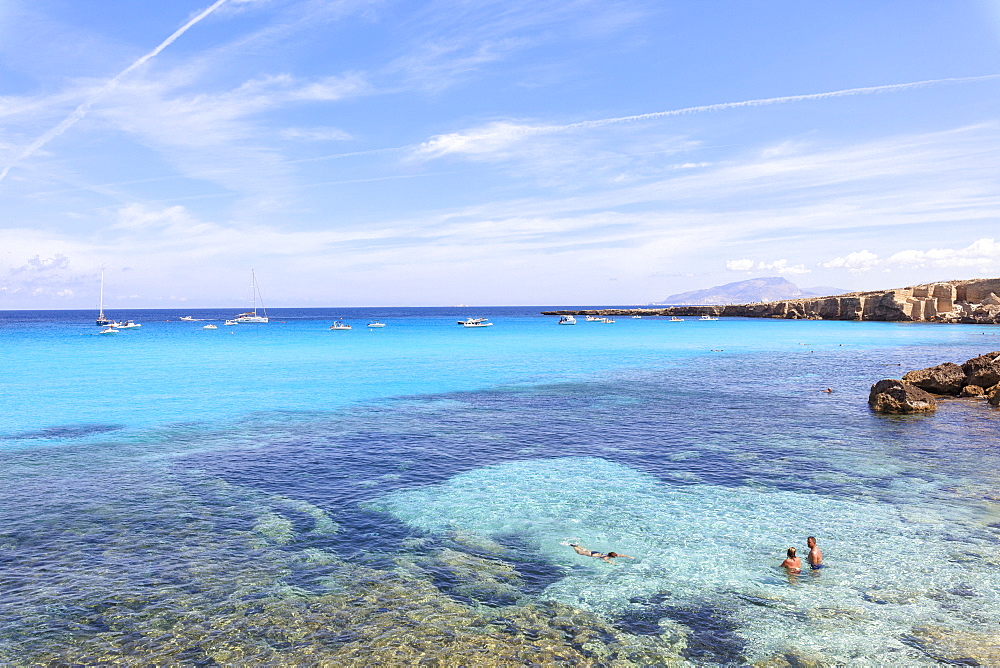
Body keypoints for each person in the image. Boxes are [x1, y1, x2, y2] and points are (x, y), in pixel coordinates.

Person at [569, 543, 634, 563]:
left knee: (586, 550)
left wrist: (630, 557)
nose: (616, 556)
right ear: (612, 556)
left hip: (597, 552)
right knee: (580, 553)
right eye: (615, 556)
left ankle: (577, 545)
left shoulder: (614, 554)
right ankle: (574, 546)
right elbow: (606, 560)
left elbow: (623, 555)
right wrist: (612, 563)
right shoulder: (606, 557)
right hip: (592, 554)